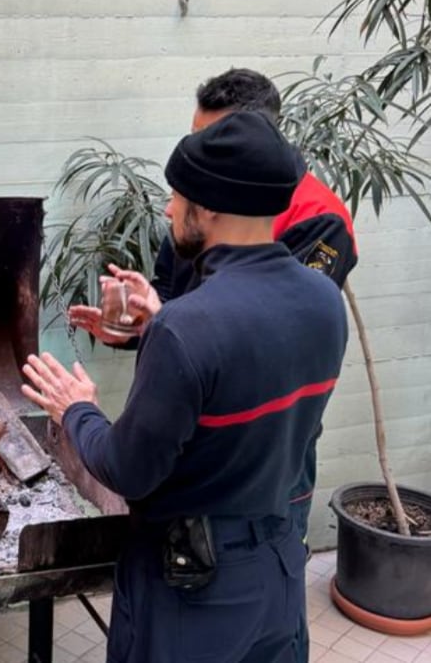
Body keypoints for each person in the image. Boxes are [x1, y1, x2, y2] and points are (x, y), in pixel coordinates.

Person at [23, 111, 348, 662]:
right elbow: (246, 365)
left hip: (192, 590)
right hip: (277, 573)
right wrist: (166, 316)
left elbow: (128, 470)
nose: (170, 209)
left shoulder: (188, 331)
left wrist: (74, 410)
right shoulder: (323, 302)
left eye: (178, 197)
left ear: (212, 206)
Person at [70, 68, 357, 543]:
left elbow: (274, 343)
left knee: (247, 564)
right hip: (180, 434)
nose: (198, 156)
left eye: (212, 141)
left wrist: (77, 408)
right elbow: (181, 310)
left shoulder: (317, 220)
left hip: (258, 461)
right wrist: (142, 323)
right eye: (195, 138)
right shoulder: (197, 202)